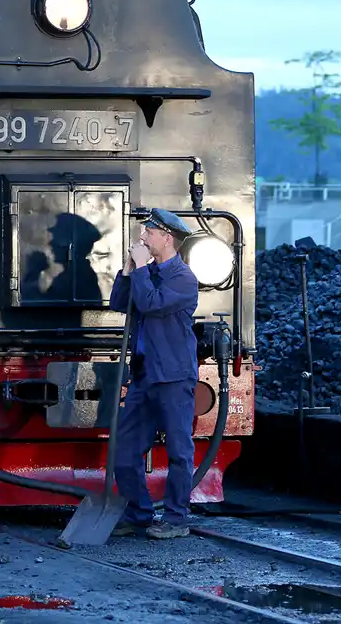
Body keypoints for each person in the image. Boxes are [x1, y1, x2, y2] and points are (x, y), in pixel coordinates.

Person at [109, 208, 199, 539]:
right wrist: (129, 269)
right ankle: (139, 513)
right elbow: (119, 303)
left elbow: (149, 304)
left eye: (149, 233)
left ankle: (176, 518)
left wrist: (143, 269)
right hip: (145, 375)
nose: (142, 238)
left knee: (178, 449)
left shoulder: (183, 280)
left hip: (173, 376)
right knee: (126, 448)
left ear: (167, 238)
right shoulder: (148, 273)